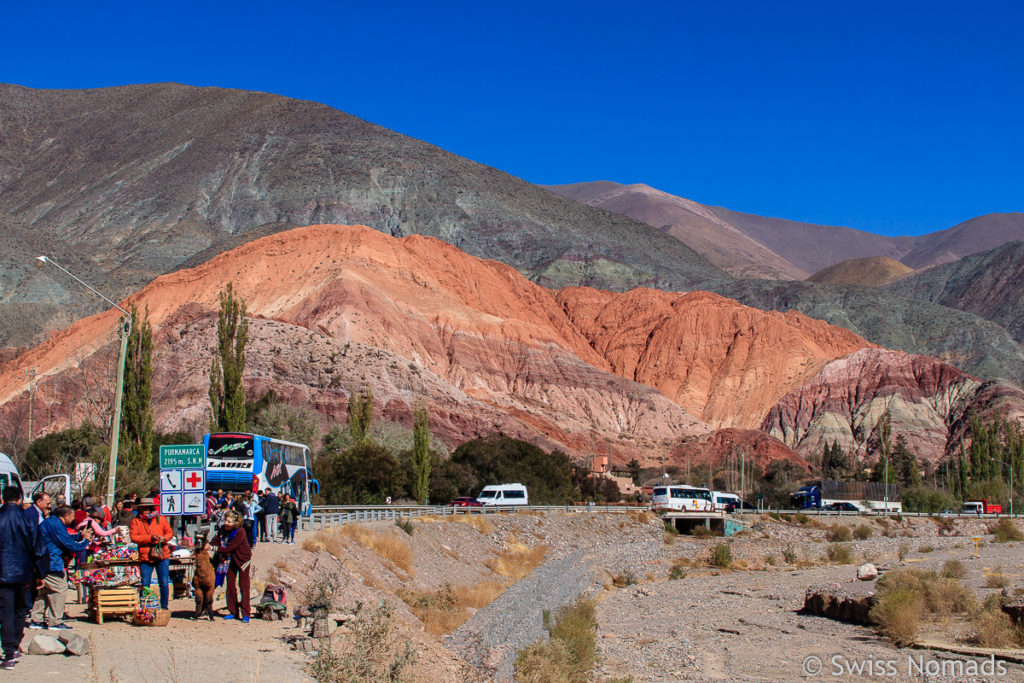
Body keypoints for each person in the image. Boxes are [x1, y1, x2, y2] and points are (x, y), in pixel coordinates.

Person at [0, 486, 47, 669]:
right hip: (24, 572)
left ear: (3, 499)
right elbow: (38, 548)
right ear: (20, 500)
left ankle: (9, 651)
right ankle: (14, 644)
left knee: (5, 612)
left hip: (3, 574)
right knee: (20, 610)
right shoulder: (27, 519)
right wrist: (40, 573)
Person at [32, 504, 91, 630]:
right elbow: (71, 546)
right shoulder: (56, 525)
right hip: (52, 562)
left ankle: (36, 619)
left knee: (43, 591)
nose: (74, 518)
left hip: (43, 562)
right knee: (59, 590)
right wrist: (86, 541)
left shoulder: (50, 522)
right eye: (72, 516)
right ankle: (55, 621)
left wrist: (79, 536)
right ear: (66, 516)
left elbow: (64, 538)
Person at [129, 497, 172, 610]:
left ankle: (164, 607)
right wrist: (150, 538)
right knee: (145, 583)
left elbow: (169, 532)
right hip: (145, 556)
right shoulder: (135, 521)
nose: (145, 510)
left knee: (163, 583)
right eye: (143, 508)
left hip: (162, 555)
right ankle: (145, 607)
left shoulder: (160, 519)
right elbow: (134, 537)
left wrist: (164, 538)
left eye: (147, 508)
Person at [212, 511, 252, 622]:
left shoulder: (240, 532)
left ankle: (246, 613)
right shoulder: (223, 530)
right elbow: (215, 541)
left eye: (228, 521)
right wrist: (207, 544)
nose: (226, 523)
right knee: (230, 584)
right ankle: (233, 611)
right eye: (225, 520)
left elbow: (230, 548)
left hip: (242, 560)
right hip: (230, 560)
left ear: (235, 522)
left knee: (243, 586)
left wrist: (212, 549)